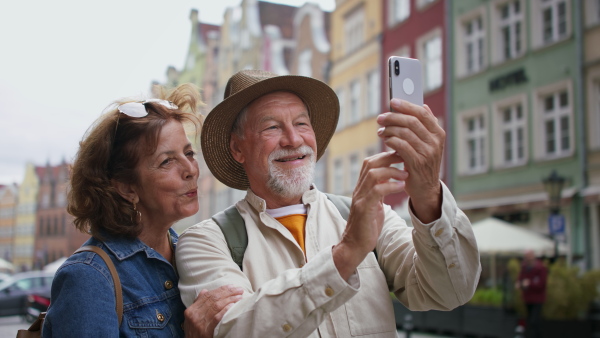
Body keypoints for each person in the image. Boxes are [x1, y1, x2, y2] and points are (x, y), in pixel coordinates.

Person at [176, 69, 481, 337]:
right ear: (237, 148)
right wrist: (347, 253)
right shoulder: (205, 241)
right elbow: (233, 331)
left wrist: (429, 195)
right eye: (272, 127)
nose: (294, 139)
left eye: (302, 123)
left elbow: (451, 291)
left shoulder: (369, 215)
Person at [42, 83, 243, 337]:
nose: (190, 169)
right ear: (127, 188)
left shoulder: (192, 252)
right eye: (167, 161)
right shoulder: (89, 278)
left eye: (189, 152)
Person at [516, 250, 547, 338]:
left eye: (529, 256)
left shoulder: (540, 268)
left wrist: (530, 283)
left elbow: (541, 284)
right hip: (527, 298)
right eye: (526, 256)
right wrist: (520, 283)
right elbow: (520, 279)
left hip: (537, 299)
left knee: (534, 321)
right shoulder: (525, 268)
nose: (528, 258)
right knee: (530, 321)